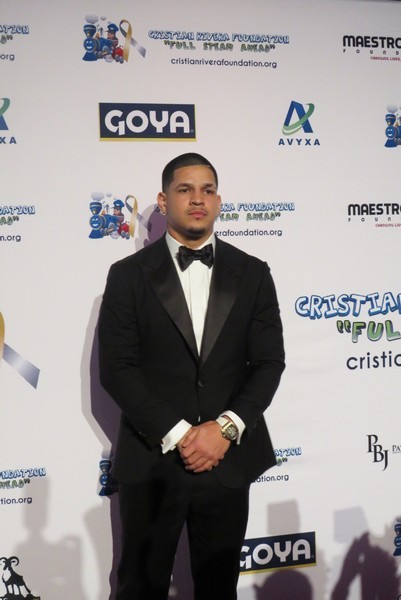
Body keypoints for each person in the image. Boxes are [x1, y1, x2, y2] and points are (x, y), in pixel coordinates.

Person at [98, 152, 285, 600]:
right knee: (140, 589)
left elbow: (269, 363)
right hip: (153, 461)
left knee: (219, 590)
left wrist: (224, 429)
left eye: (207, 190)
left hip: (227, 461)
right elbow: (117, 369)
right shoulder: (127, 276)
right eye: (185, 189)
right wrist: (183, 435)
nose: (197, 199)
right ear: (163, 201)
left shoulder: (253, 273)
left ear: (219, 201)